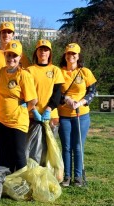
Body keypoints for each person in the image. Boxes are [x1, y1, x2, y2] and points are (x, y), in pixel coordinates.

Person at [0, 40, 37, 172]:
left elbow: (33, 100)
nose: (11, 59)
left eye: (14, 56)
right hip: (0, 120)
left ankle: (22, 184)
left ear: (20, 57)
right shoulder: (1, 72)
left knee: (18, 155)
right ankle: (5, 184)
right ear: (4, 56)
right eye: (8, 55)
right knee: (3, 155)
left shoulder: (24, 75)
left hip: (17, 122)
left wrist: (21, 110)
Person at [58, 43, 96, 187]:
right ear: (65, 55)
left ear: (78, 56)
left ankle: (78, 177)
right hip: (64, 114)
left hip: (82, 114)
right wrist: (66, 99)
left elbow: (92, 92)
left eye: (74, 54)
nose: (71, 56)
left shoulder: (85, 72)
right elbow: (55, 93)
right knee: (66, 147)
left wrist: (80, 102)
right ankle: (67, 176)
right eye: (68, 53)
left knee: (78, 146)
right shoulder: (59, 71)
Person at [26, 39, 64, 166]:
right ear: (36, 52)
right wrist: (34, 110)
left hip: (51, 117)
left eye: (46, 50)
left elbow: (57, 93)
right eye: (40, 49)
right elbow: (26, 92)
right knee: (33, 149)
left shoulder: (55, 70)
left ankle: (48, 174)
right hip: (32, 115)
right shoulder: (29, 70)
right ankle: (34, 174)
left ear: (50, 53)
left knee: (48, 149)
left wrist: (48, 109)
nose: (43, 52)